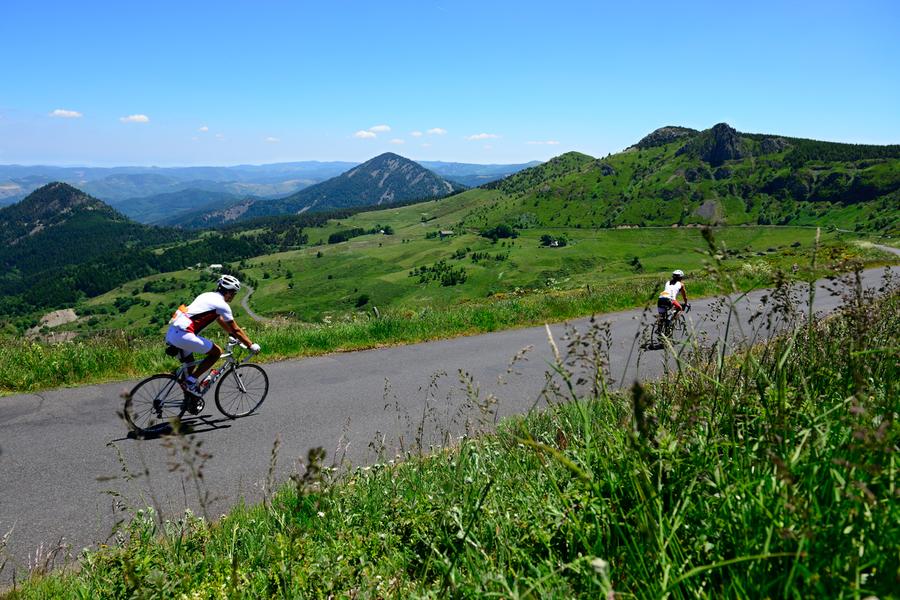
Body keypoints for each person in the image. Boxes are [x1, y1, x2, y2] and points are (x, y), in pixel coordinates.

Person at [166, 274, 260, 410]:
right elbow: (236, 329)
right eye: (234, 293)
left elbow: (219, 319)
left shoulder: (206, 295)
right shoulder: (222, 305)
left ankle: (190, 401)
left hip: (172, 332)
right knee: (216, 353)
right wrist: (251, 345)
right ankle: (190, 383)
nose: (233, 296)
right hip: (184, 334)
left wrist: (230, 333)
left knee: (190, 366)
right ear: (228, 292)